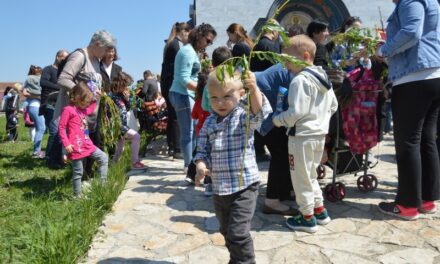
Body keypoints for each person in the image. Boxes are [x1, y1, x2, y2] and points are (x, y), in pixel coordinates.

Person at [194, 70, 272, 264]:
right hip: (220, 188)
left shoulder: (243, 116)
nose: (220, 103)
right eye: (214, 98)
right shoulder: (209, 122)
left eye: (227, 96)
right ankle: (236, 259)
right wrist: (201, 165)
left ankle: (245, 261)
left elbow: (260, 113)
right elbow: (202, 150)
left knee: (238, 232)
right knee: (226, 230)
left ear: (240, 94)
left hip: (244, 186)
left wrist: (253, 88)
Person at [376, 0, 440, 220]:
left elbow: (412, 32)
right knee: (426, 140)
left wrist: (384, 49)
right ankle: (427, 200)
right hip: (432, 75)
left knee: (408, 142)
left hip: (413, 77)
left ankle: (408, 205)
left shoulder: (411, 0)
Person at [273, 34, 338, 233]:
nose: (285, 65)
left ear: (305, 56)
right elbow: (333, 105)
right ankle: (320, 210)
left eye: (287, 60)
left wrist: (278, 120)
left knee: (300, 178)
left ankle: (307, 217)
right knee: (310, 176)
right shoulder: (323, 78)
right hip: (318, 136)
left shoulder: (299, 81)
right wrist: (320, 121)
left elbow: (296, 113)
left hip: (301, 138)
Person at [52, 30, 116, 168]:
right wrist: (85, 93)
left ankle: (87, 180)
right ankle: (80, 183)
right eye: (105, 49)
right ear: (97, 44)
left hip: (90, 117)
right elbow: (63, 79)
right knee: (80, 156)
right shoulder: (80, 56)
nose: (106, 53)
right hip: (78, 119)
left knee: (89, 153)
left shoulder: (96, 60)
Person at [169, 23, 217, 174]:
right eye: (208, 41)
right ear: (199, 36)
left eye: (211, 42)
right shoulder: (188, 52)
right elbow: (184, 79)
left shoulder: (191, 51)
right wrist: (203, 90)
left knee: (193, 131)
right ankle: (188, 166)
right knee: (188, 132)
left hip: (185, 94)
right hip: (182, 94)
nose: (208, 44)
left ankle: (191, 165)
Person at [255, 63, 297, 215]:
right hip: (263, 107)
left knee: (284, 150)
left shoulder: (292, 66)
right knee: (280, 153)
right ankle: (271, 201)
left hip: (268, 105)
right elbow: (290, 107)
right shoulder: (296, 73)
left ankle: (285, 191)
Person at [58, 81, 108, 197]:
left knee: (103, 158)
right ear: (77, 98)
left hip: (87, 144)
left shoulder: (83, 109)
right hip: (76, 147)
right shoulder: (68, 110)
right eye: (85, 102)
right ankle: (77, 196)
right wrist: (66, 144)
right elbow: (61, 128)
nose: (87, 105)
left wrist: (96, 98)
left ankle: (102, 184)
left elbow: (91, 108)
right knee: (78, 172)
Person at [160, 22, 191, 158]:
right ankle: (177, 148)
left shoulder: (172, 43)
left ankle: (173, 146)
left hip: (167, 84)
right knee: (176, 116)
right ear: (183, 31)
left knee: (173, 116)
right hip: (171, 84)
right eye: (188, 33)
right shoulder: (176, 45)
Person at [110, 71, 147, 170]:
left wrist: (127, 100)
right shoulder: (111, 96)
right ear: (119, 84)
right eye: (125, 85)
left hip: (122, 124)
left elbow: (126, 109)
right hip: (118, 125)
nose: (126, 87)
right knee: (136, 136)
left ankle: (113, 168)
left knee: (119, 149)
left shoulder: (121, 95)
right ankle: (135, 162)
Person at [40, 49, 69, 162]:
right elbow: (43, 82)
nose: (65, 60)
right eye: (64, 58)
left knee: (61, 132)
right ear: (58, 57)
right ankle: (49, 157)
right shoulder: (48, 69)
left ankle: (57, 157)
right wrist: (61, 86)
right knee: (54, 131)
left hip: (61, 104)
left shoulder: (65, 72)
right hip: (49, 104)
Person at [22, 65, 46, 158]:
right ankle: (36, 152)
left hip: (31, 107)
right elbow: (24, 93)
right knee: (41, 129)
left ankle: (38, 150)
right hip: (36, 106)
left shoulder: (28, 80)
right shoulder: (40, 80)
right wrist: (39, 96)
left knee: (38, 128)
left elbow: (24, 92)